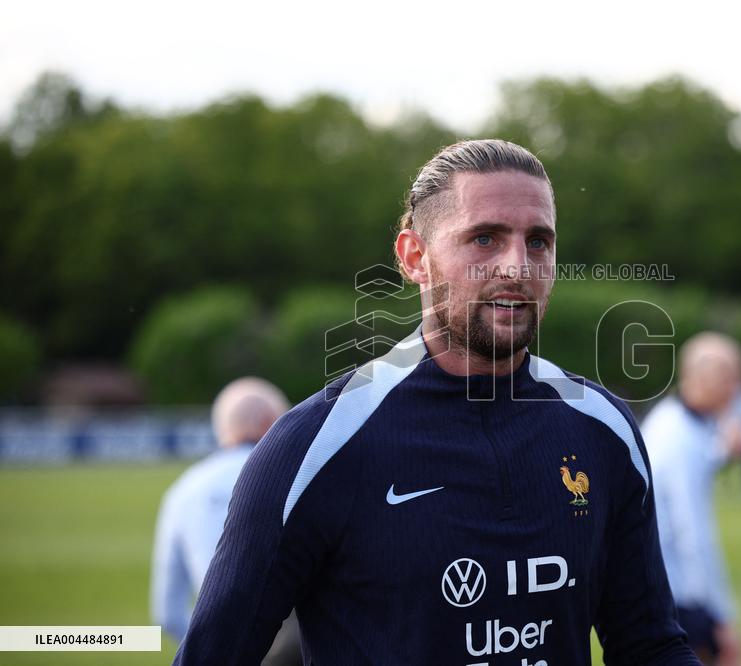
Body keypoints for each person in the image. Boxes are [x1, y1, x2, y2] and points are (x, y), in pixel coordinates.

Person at [174, 140, 701, 665]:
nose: (518, 267)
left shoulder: (603, 427)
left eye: (538, 241)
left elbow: (650, 646)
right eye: (485, 239)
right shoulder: (316, 445)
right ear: (414, 258)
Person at [152, 377, 301, 665]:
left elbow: (168, 614)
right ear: (272, 421)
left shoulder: (183, 489)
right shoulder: (297, 476)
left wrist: (215, 646)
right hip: (292, 650)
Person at [641, 333, 741, 666]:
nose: (737, 389)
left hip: (672, 587)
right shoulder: (677, 436)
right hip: (678, 594)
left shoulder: (678, 422)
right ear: (703, 377)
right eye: (731, 378)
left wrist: (723, 453)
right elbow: (692, 534)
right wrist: (722, 616)